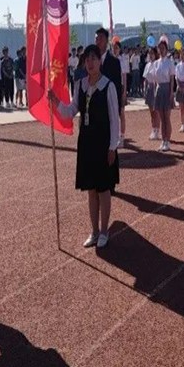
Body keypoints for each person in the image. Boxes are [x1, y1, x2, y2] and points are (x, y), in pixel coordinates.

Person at [50, 45, 120, 249]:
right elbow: (71, 111)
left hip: (103, 143)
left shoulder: (108, 86)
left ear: (100, 61)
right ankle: (94, 231)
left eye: (93, 59)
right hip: (87, 142)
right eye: (86, 59)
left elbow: (114, 119)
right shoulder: (80, 84)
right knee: (90, 189)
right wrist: (55, 102)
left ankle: (105, 230)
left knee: (103, 189)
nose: (90, 63)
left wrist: (112, 147)